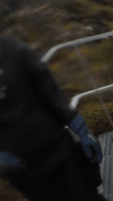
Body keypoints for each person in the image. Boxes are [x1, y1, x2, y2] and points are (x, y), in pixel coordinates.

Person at [0, 37, 105, 201]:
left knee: (86, 197)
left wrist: (82, 131)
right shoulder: (12, 49)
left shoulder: (12, 50)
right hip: (24, 167)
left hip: (55, 151)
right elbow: (52, 95)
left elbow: (51, 94)